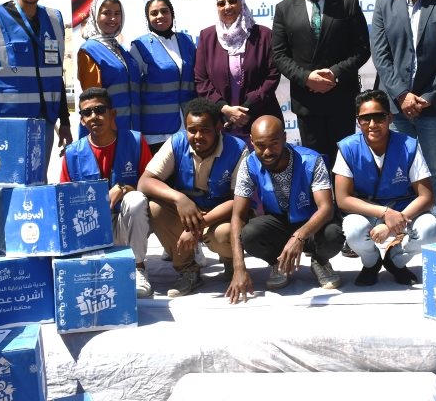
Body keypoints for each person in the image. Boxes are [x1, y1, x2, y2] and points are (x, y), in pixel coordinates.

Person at [0, 0, 72, 253]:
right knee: (2, 189)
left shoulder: (54, 19)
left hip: (43, 122)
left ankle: (31, 247)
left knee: (36, 185)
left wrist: (64, 122)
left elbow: (56, 75)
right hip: (7, 122)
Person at [370, 0, 436, 242]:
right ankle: (400, 225)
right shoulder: (383, 7)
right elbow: (381, 56)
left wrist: (429, 96)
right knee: (398, 169)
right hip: (397, 108)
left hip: (433, 106)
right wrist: (401, 95)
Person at [225, 115, 345, 303]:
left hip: (312, 224)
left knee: (333, 234)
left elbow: (326, 208)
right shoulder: (248, 164)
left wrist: (299, 237)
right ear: (251, 141)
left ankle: (320, 261)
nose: (267, 152)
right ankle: (277, 262)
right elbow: (238, 216)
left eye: (274, 143)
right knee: (249, 234)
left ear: (284, 137)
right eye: (260, 145)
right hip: (278, 223)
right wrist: (239, 268)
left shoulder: (311, 160)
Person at [137, 98, 247, 298]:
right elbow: (145, 181)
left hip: (218, 216)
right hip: (186, 214)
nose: (197, 136)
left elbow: (239, 201)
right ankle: (188, 270)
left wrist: (199, 226)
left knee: (224, 234)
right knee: (155, 207)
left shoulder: (238, 149)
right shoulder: (176, 142)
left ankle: (230, 261)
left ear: (218, 127)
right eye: (192, 130)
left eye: (205, 130)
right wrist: (179, 199)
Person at [271, 0, 370, 165]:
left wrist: (334, 73)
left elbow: (362, 49)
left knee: (344, 163)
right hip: (307, 103)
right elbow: (279, 55)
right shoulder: (284, 9)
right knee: (315, 164)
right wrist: (306, 78)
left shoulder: (348, 3)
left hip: (341, 99)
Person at [334, 90, 436, 286]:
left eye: (379, 117)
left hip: (403, 210)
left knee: (430, 229)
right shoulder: (347, 147)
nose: (372, 124)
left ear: (390, 118)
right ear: (358, 121)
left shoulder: (409, 145)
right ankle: (371, 263)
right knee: (354, 230)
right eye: (365, 119)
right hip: (368, 211)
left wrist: (391, 223)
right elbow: (343, 199)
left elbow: (427, 197)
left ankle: (395, 260)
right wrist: (384, 213)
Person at [60, 87, 154, 298]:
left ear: (112, 114)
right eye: (87, 112)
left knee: (136, 199)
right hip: (89, 228)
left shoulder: (135, 141)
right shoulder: (72, 153)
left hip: (126, 223)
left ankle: (138, 267)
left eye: (100, 110)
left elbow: (150, 186)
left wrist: (123, 189)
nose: (94, 116)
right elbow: (64, 201)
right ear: (82, 120)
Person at [195, 0, 282, 139]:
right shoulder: (207, 36)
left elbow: (272, 75)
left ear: (242, 3)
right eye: (221, 3)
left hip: (259, 118)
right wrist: (224, 108)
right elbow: (201, 80)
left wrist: (245, 109)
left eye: (232, 1)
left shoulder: (263, 34)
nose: (227, 6)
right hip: (221, 122)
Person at [130, 0, 197, 155]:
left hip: (187, 126)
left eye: (164, 11)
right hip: (156, 131)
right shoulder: (140, 46)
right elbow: (133, 90)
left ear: (172, 14)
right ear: (148, 18)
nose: (160, 16)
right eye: (154, 13)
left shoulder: (187, 41)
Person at [77, 0, 142, 135]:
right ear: (95, 15)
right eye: (106, 13)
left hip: (131, 130)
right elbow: (92, 100)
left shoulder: (121, 49)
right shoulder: (89, 50)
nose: (113, 18)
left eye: (117, 13)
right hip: (105, 133)